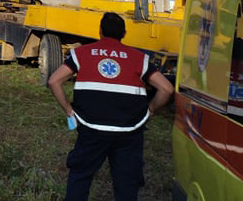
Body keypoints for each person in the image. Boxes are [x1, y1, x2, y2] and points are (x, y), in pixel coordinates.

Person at [47, 12, 174, 201]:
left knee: (80, 177)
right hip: (130, 130)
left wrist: (69, 110)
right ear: (124, 33)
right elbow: (167, 89)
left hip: (91, 128)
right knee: (126, 184)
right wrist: (151, 109)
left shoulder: (81, 53)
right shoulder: (139, 58)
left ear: (100, 31)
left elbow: (54, 81)